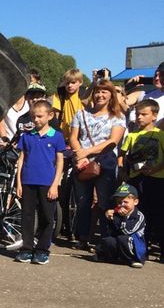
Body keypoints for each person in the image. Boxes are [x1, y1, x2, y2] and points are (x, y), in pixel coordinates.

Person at [69, 80, 127, 251]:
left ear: (111, 95)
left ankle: (105, 239)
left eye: (105, 92)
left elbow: (113, 141)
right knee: (83, 202)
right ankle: (83, 237)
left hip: (105, 163)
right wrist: (80, 154)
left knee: (105, 202)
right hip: (82, 163)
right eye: (97, 91)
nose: (100, 95)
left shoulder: (118, 117)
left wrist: (87, 153)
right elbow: (73, 136)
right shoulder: (81, 114)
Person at [14, 100, 66, 265]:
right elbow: (21, 159)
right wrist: (19, 183)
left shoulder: (57, 136)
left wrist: (55, 183)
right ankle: (26, 249)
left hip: (47, 182)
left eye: (39, 116)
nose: (36, 120)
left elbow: (60, 161)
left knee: (47, 217)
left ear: (50, 115)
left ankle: (43, 250)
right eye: (33, 116)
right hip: (28, 180)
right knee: (27, 216)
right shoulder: (27, 136)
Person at [119, 99, 164, 253]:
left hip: (157, 179)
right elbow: (122, 155)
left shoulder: (161, 135)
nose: (139, 117)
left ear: (154, 116)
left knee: (158, 213)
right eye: (137, 114)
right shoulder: (131, 136)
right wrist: (123, 171)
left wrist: (156, 168)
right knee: (140, 213)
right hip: (136, 179)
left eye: (144, 114)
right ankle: (140, 248)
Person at [96, 184, 147, 267]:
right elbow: (110, 233)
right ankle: (112, 257)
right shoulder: (117, 213)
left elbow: (127, 231)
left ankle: (132, 260)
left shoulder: (138, 216)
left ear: (135, 202)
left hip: (135, 247)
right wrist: (109, 219)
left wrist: (123, 218)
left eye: (125, 202)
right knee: (108, 240)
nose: (122, 205)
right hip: (120, 244)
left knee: (123, 238)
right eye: (119, 202)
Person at [52, 68, 89, 142]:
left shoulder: (86, 92)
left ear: (80, 82)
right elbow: (56, 114)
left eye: (73, 82)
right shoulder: (60, 94)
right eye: (67, 83)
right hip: (64, 136)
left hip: (83, 136)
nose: (69, 85)